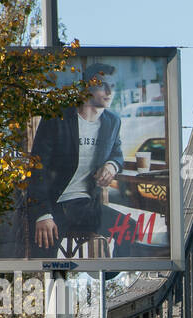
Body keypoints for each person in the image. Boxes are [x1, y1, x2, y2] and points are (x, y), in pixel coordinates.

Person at [27, 62, 124, 257]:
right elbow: (37, 168)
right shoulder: (57, 117)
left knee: (129, 229)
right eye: (101, 85)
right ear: (87, 87)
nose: (108, 91)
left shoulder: (112, 121)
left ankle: (110, 277)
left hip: (87, 207)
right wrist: (42, 214)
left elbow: (117, 152)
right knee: (44, 260)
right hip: (56, 204)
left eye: (112, 86)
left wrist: (112, 165)